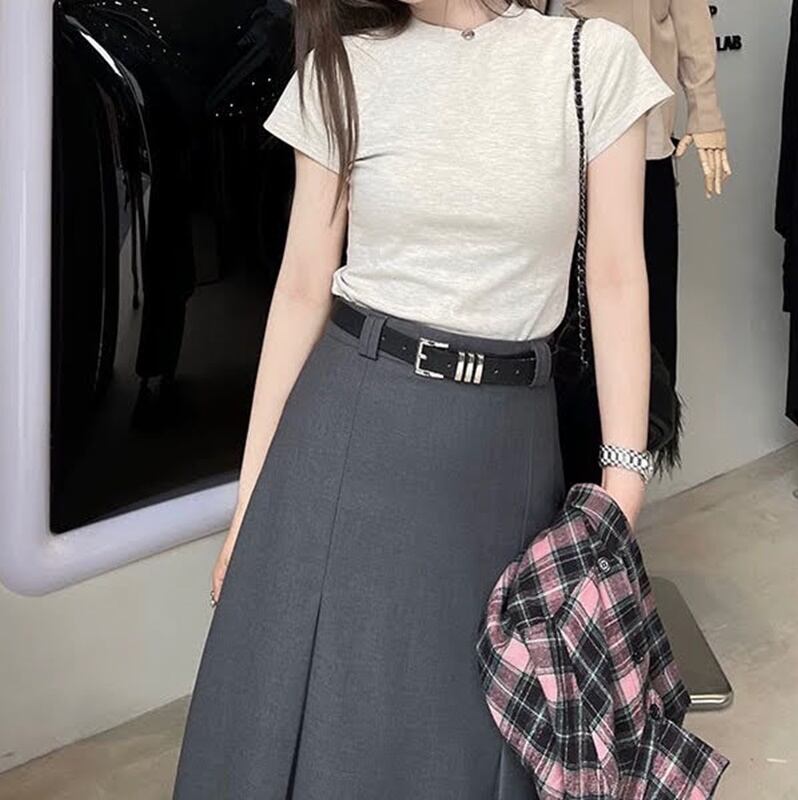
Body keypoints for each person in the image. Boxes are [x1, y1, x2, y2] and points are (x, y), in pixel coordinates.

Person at [172, 1, 673, 797]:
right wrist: (249, 507)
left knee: (476, 738)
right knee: (321, 735)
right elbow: (301, 287)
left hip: (506, 450)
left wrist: (624, 484)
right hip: (348, 430)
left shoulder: (590, 58)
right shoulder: (341, 66)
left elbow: (615, 278)